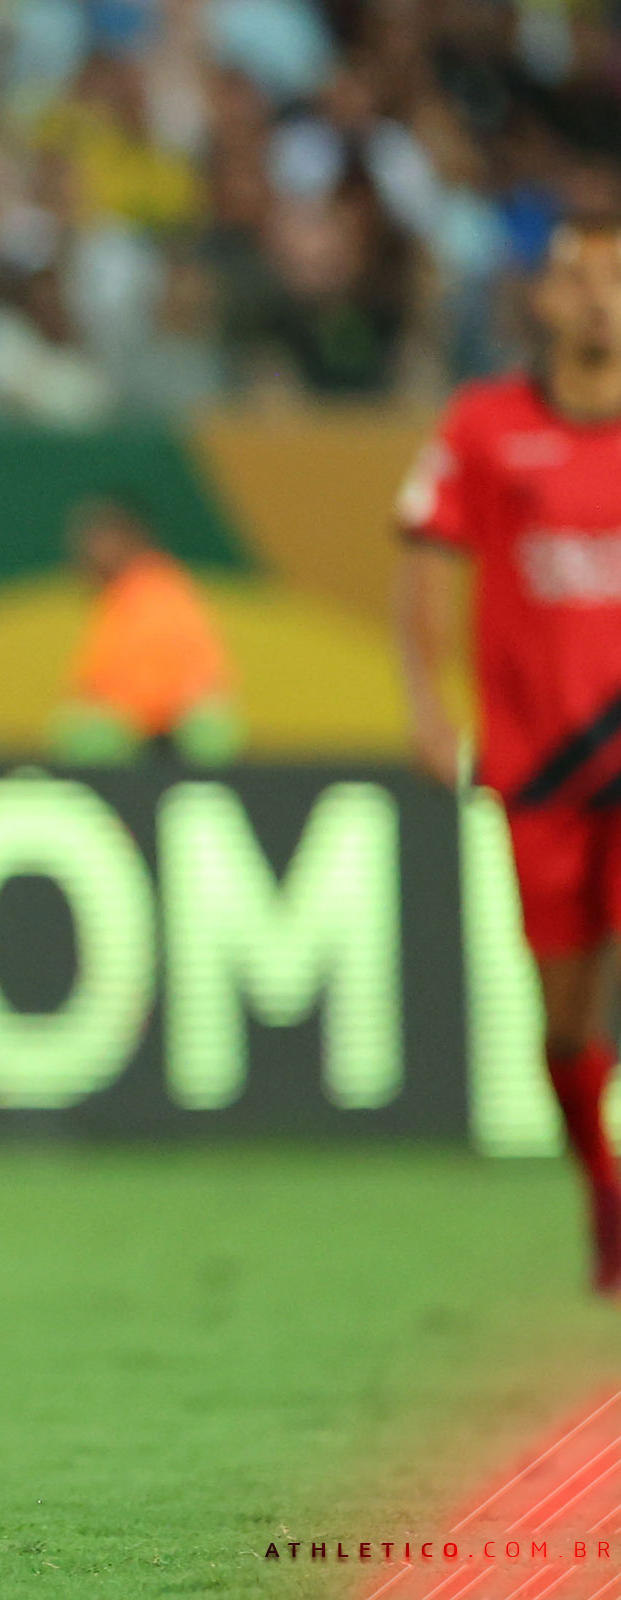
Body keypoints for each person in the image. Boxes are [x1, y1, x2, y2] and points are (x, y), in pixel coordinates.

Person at [397, 216, 621, 1296]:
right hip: (540, 770)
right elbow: (427, 558)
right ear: (544, 299)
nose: (601, 296)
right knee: (565, 1024)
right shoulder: (486, 427)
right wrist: (427, 705)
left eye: (619, 276)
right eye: (580, 275)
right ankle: (602, 1191)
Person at [52, 494, 241, 765]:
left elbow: (168, 690)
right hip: (145, 727)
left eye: (97, 541)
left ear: (128, 539)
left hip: (169, 733)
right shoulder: (118, 599)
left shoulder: (157, 592)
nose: (85, 554)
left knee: (88, 733)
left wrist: (125, 714)